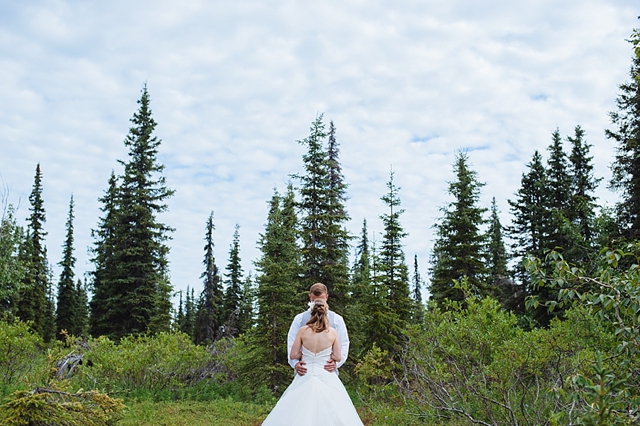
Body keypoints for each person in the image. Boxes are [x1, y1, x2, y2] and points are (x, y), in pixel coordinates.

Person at [261, 299, 364, 425]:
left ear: (311, 312)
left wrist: (303, 353)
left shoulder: (303, 331)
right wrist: (327, 354)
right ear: (326, 313)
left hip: (306, 373)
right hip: (325, 373)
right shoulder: (332, 333)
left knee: (296, 410)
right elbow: (338, 356)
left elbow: (293, 354)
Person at [287, 283, 349, 376]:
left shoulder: (337, 319)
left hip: (328, 371)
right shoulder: (299, 319)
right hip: (304, 371)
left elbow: (344, 343)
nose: (317, 304)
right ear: (310, 298)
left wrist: (336, 364)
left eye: (320, 300)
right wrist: (295, 363)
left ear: (326, 297)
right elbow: (291, 342)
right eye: (314, 301)